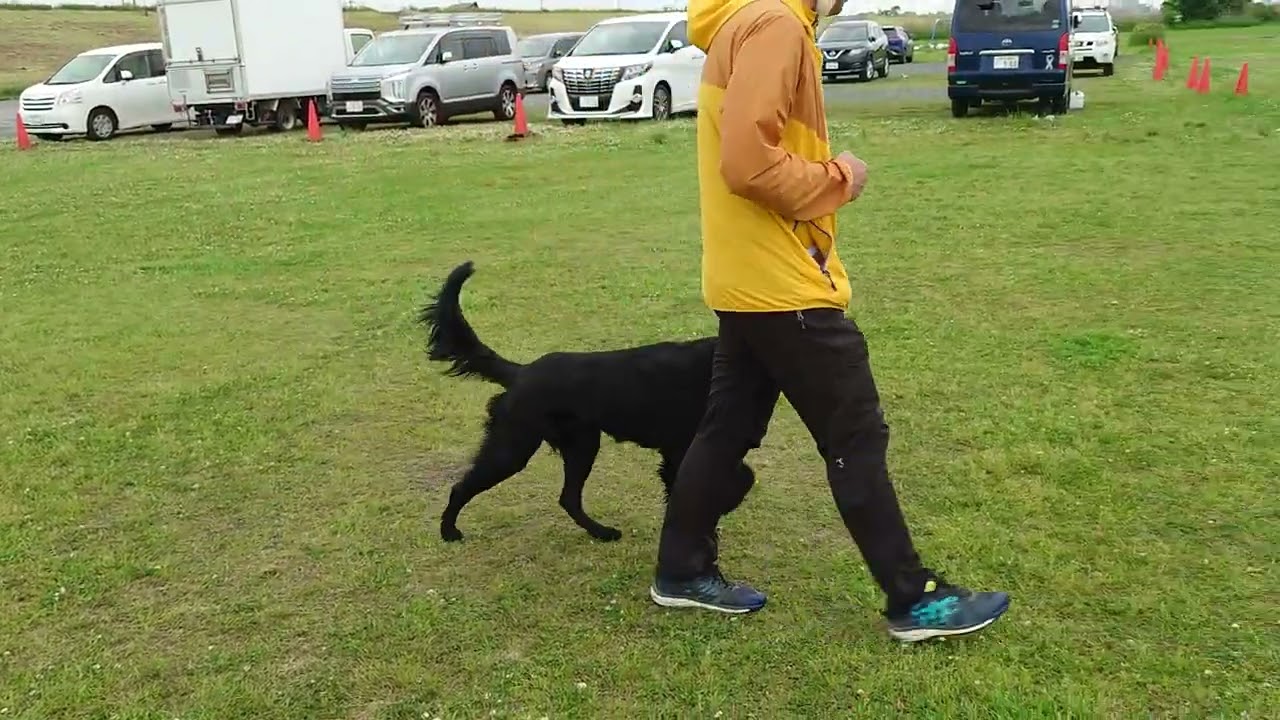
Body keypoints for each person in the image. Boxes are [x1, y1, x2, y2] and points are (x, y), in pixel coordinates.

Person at [649, 0, 1012, 642]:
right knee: (855, 435)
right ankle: (913, 598)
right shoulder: (776, 25)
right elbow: (747, 163)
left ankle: (681, 568)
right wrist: (840, 175)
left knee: (727, 428)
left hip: (744, 278)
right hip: (781, 283)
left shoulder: (747, 21)